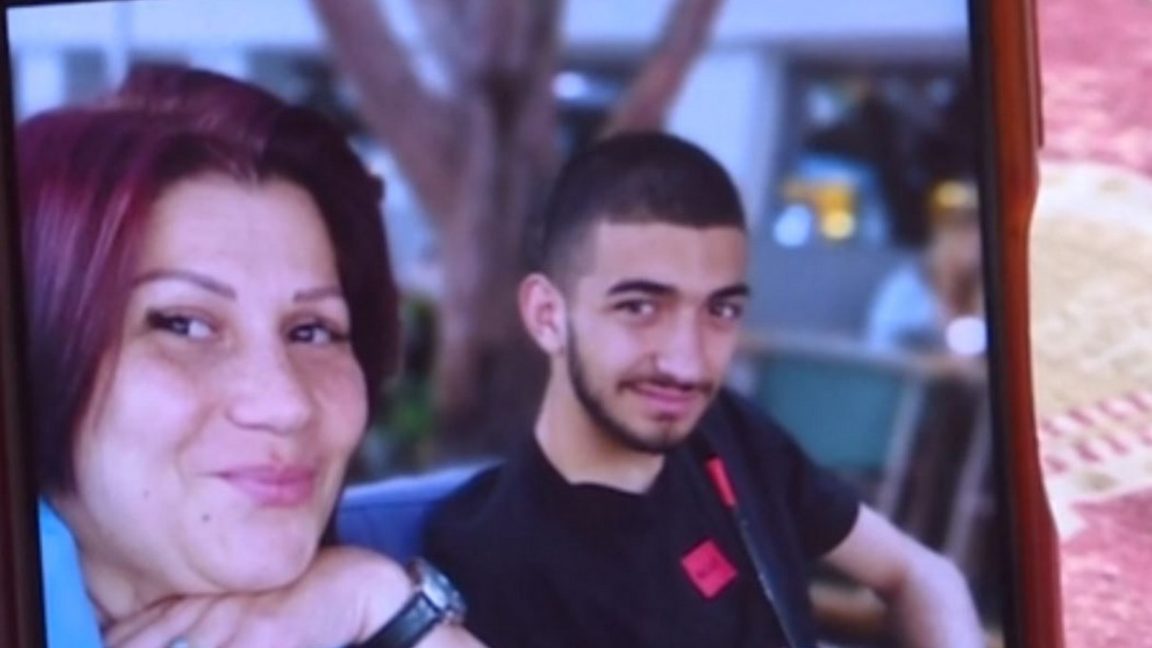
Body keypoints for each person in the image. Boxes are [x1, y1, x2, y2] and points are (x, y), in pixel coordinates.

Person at [424, 133, 983, 647]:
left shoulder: (730, 431)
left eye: (720, 310)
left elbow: (919, 574)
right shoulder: (496, 561)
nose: (686, 364)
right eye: (639, 308)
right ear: (548, 316)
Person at [22, 65, 481, 648]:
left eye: (313, 331)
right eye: (185, 325)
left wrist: (387, 608)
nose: (286, 404)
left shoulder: (352, 605)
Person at [866, 179, 985, 354]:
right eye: (960, 228)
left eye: (977, 229)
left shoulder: (1000, 291)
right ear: (940, 235)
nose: (972, 240)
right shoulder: (907, 290)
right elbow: (880, 351)